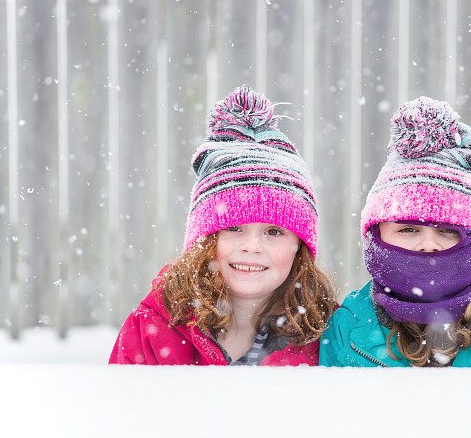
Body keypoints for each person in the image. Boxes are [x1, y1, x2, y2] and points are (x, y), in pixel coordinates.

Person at [319, 97, 471, 368]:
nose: (429, 244)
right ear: (377, 235)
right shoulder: (349, 325)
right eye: (408, 229)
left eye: (449, 231)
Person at [110, 86, 336, 366]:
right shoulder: (153, 328)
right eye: (234, 228)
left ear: (299, 247)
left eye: (273, 232)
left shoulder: (326, 335)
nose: (252, 247)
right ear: (204, 240)